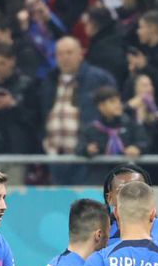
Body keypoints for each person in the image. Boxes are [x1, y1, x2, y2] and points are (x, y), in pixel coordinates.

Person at [39, 37, 116, 184]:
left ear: (81, 54)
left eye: (69, 53)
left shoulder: (99, 78)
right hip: (55, 158)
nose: (65, 58)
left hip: (87, 158)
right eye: (60, 54)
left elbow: (113, 113)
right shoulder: (49, 81)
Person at [84, 86, 147, 161]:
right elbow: (80, 147)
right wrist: (87, 150)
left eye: (119, 101)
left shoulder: (131, 125)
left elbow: (144, 142)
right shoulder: (92, 129)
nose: (118, 104)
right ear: (101, 106)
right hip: (102, 171)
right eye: (112, 101)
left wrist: (137, 148)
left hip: (126, 171)